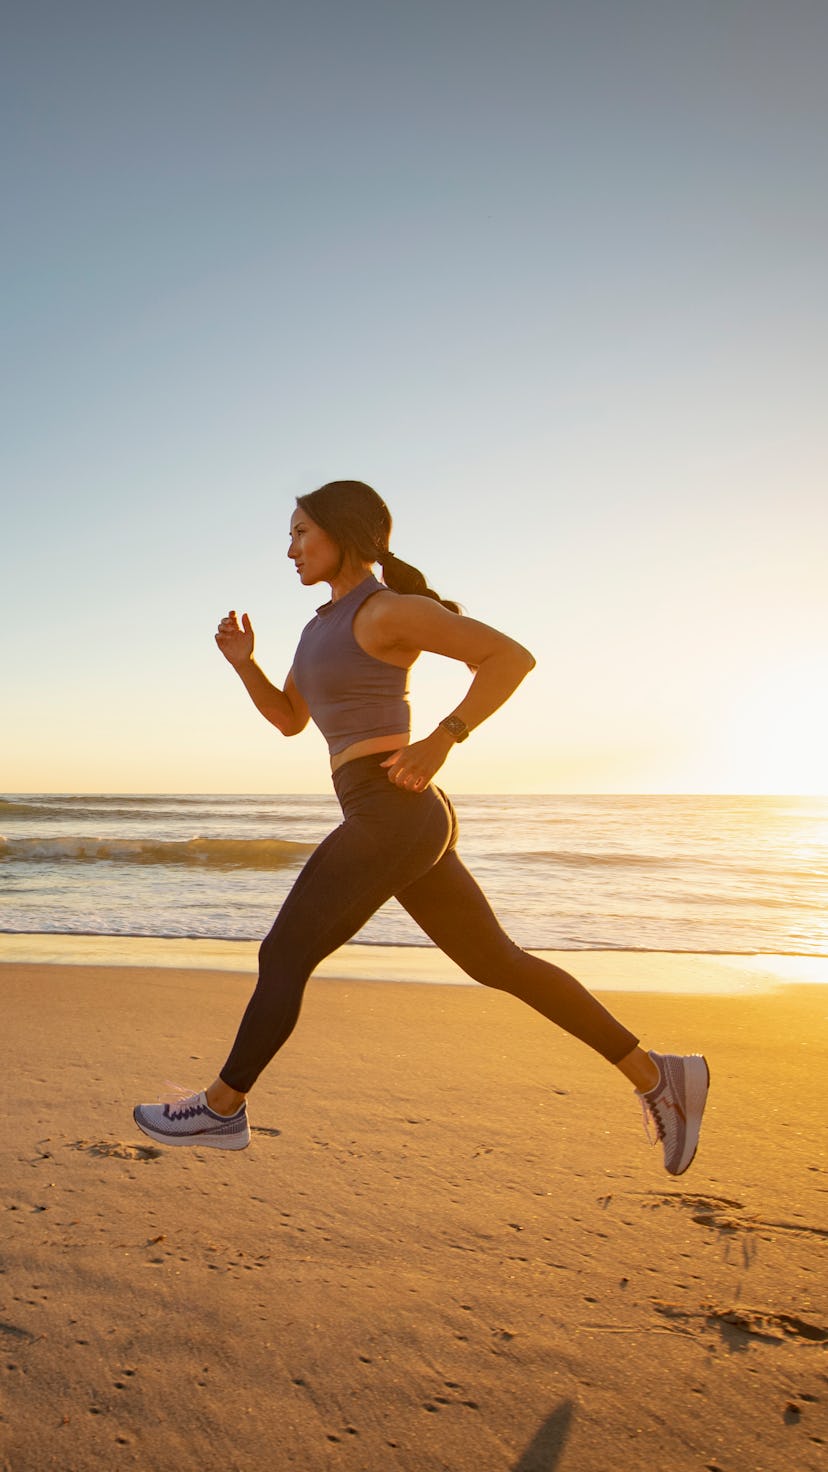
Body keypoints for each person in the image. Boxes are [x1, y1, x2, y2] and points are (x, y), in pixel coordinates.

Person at [134, 480, 709, 1174]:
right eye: (290, 535)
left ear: (344, 532)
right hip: (394, 816)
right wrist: (244, 664)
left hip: (393, 809)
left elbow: (510, 657)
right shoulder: (319, 626)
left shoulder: (386, 612)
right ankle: (658, 1076)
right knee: (498, 963)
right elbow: (290, 720)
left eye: (301, 532)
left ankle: (221, 1109)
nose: (290, 549)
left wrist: (445, 736)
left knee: (283, 956)